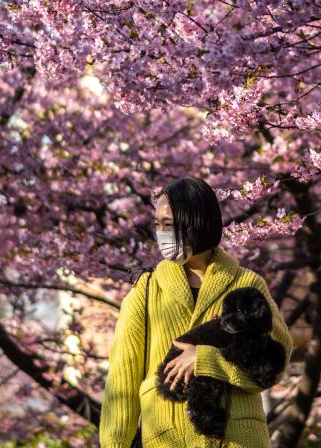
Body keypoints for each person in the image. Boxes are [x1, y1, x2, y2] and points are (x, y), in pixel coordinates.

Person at [99, 176, 294, 448]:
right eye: (158, 225)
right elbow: (122, 382)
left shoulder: (247, 284)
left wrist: (206, 360)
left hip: (238, 439)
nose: (162, 233)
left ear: (197, 223)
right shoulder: (146, 290)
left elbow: (274, 365)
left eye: (170, 224)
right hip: (167, 438)